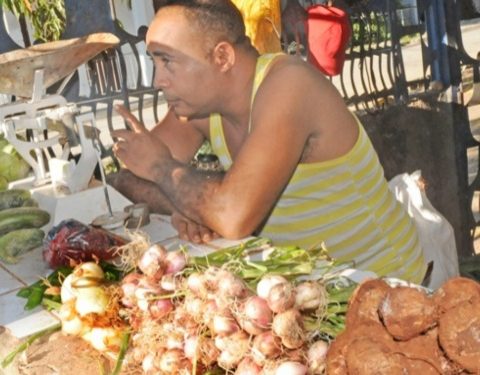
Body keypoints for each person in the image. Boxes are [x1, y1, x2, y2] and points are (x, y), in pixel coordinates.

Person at [111, 0, 427, 283]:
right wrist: (190, 205)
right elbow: (127, 177)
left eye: (167, 62)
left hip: (389, 287)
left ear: (222, 57)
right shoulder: (200, 109)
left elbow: (231, 216)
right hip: (313, 295)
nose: (157, 81)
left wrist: (162, 169)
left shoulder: (290, 85)